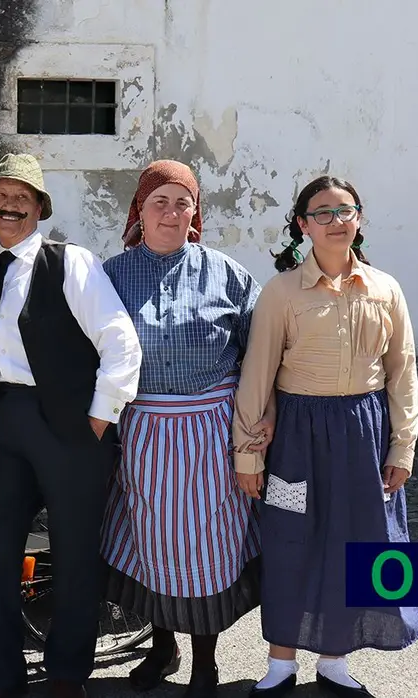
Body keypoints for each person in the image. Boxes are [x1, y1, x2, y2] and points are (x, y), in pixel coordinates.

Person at [233, 175, 418, 697]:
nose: (335, 222)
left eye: (345, 211)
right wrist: (248, 456)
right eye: (322, 213)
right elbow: (258, 373)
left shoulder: (386, 289)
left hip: (364, 434)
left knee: (356, 542)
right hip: (296, 436)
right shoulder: (280, 292)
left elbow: (402, 371)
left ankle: (335, 659)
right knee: (290, 538)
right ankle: (280, 661)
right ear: (302, 225)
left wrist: (402, 445)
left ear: (359, 219)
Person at [0, 153, 142, 698]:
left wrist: (98, 419)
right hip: (3, 426)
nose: (12, 204)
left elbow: (120, 341)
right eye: (2, 195)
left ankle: (67, 673)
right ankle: (3, 671)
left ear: (40, 208)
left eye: (24, 196)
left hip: (70, 426)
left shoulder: (72, 263)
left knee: (73, 555)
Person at [100, 160, 264, 698]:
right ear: (139, 212)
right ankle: (162, 646)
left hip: (212, 437)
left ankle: (205, 662)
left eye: (182, 202)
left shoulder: (227, 274)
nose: (171, 213)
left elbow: (262, 349)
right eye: (159, 202)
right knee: (153, 544)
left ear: (195, 212)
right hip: (145, 434)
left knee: (206, 547)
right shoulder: (114, 276)